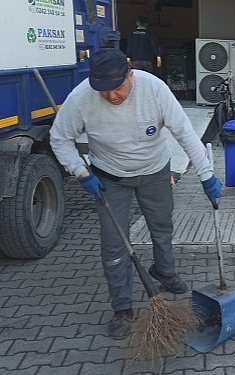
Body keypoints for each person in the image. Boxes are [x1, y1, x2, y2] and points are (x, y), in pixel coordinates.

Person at [49, 48, 222, 338]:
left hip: (154, 172)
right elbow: (59, 138)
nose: (111, 96)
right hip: (108, 178)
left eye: (118, 87)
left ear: (130, 74)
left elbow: (185, 133)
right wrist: (80, 171)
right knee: (115, 245)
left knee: (162, 226)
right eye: (103, 90)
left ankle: (165, 272)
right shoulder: (81, 98)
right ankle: (122, 308)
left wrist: (206, 175)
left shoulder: (153, 89)